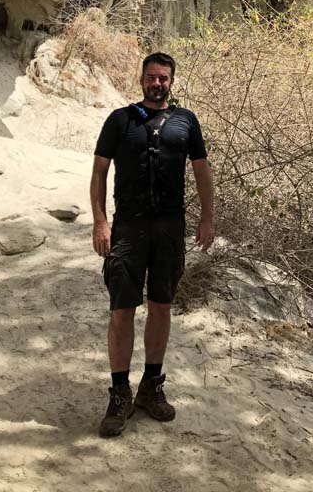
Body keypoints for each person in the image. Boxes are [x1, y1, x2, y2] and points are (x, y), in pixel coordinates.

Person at [89, 51, 214, 437]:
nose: (156, 83)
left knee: (161, 306)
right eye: (151, 77)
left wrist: (207, 218)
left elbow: (202, 172)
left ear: (171, 82)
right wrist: (99, 222)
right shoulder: (119, 120)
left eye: (163, 78)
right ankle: (120, 392)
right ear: (141, 79)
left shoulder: (186, 122)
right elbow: (98, 173)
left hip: (169, 229)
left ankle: (151, 386)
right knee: (121, 310)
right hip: (128, 229)